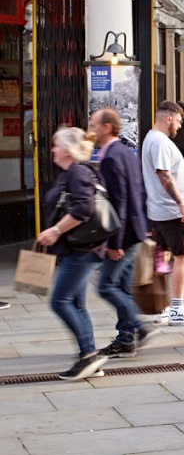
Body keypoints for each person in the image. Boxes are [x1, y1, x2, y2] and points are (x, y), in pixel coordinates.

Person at [36, 128, 108, 380]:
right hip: (77, 248)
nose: (52, 150)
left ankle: (89, 356)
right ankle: (89, 358)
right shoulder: (75, 171)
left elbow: (84, 208)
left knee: (60, 301)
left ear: (67, 150)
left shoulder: (77, 171)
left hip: (80, 250)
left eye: (56, 146)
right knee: (75, 303)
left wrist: (55, 230)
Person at [89, 107, 154, 358]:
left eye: (94, 125)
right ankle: (126, 339)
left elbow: (120, 202)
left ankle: (139, 327)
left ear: (107, 127)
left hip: (124, 236)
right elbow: (139, 192)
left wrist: (115, 243)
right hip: (134, 231)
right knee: (123, 286)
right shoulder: (125, 153)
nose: (91, 130)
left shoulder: (113, 157)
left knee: (106, 286)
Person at [140, 100, 184, 326]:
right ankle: (177, 309)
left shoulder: (153, 139)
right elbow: (164, 175)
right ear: (168, 119)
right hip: (171, 212)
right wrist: (181, 203)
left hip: (160, 211)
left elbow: (167, 169)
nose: (179, 126)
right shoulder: (159, 142)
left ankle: (164, 307)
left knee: (163, 256)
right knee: (183, 257)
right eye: (178, 121)